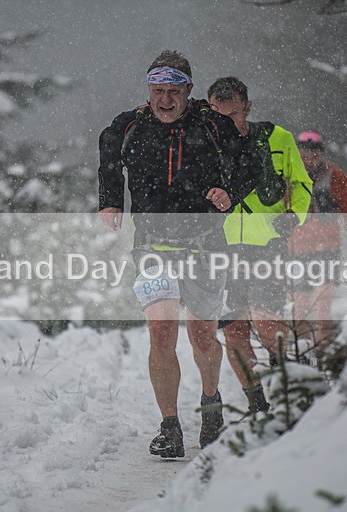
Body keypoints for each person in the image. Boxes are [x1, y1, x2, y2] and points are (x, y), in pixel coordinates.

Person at [98, 51, 260, 458]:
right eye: (158, 91)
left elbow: (252, 164)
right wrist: (110, 200)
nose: (165, 100)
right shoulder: (130, 124)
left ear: (189, 90)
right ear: (149, 90)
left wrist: (230, 192)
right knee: (161, 331)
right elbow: (108, 155)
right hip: (152, 247)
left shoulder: (213, 125)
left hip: (205, 246)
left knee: (202, 336)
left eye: (173, 91)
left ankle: (210, 405)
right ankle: (169, 427)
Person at [207, 77, 312, 414]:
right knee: (234, 331)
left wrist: (294, 216)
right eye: (217, 115)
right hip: (221, 249)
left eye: (233, 115)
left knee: (266, 320)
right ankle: (257, 403)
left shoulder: (277, 139)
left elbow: (301, 183)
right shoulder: (202, 144)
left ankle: (288, 388)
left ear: (248, 108)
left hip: (266, 245)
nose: (225, 123)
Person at [288, 130, 347, 347]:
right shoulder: (289, 177)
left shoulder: (335, 177)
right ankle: (302, 353)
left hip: (328, 250)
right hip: (297, 252)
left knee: (323, 304)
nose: (309, 161)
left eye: (313, 156)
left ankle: (323, 351)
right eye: (304, 156)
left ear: (321, 153)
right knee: (301, 306)